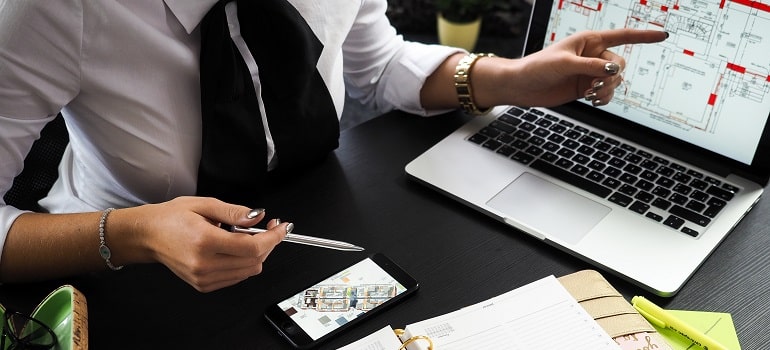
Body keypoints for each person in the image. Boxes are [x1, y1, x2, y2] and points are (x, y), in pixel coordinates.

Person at [0, 0, 667, 293]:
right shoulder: (52, 7)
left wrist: (506, 78)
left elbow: (374, 68)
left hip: (312, 224)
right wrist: (135, 234)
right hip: (130, 276)